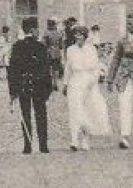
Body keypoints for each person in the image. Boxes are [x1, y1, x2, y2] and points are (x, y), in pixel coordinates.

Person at [7, 16, 54, 154]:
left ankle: (27, 145)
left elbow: (13, 70)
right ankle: (43, 145)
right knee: (41, 114)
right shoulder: (40, 47)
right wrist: (48, 88)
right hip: (39, 85)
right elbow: (46, 69)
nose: (38, 32)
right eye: (37, 29)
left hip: (23, 85)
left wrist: (13, 91)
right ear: (33, 30)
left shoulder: (17, 47)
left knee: (25, 114)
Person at [62, 25, 111, 151]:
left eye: (80, 34)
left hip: (88, 82)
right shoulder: (70, 50)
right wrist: (65, 83)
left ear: (85, 36)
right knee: (74, 110)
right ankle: (74, 140)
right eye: (76, 34)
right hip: (75, 81)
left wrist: (93, 82)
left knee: (87, 111)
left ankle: (85, 139)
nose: (77, 37)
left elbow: (95, 68)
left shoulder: (91, 49)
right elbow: (68, 68)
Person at [104, 16, 133, 148]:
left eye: (130, 23)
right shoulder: (122, 41)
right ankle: (124, 136)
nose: (128, 26)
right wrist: (110, 79)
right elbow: (115, 60)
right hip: (124, 77)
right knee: (124, 105)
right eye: (126, 24)